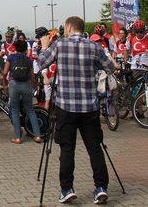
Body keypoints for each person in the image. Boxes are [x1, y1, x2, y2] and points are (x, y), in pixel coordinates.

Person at [37, 16, 114, 205]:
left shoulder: (60, 45)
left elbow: (41, 63)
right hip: (90, 107)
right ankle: (101, 187)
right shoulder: (94, 46)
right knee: (94, 147)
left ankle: (67, 189)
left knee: (67, 148)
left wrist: (45, 45)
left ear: (69, 27)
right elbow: (111, 67)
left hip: (66, 106)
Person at [2, 39, 42, 144]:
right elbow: (32, 76)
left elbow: (5, 72)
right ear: (25, 49)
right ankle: (37, 136)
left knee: (15, 110)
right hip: (26, 85)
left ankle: (18, 137)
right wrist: (34, 85)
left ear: (15, 47)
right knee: (30, 110)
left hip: (14, 84)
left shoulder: (10, 57)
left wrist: (4, 82)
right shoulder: (28, 60)